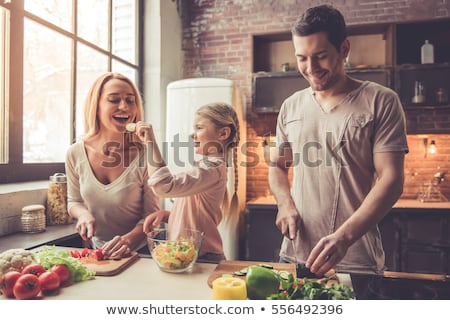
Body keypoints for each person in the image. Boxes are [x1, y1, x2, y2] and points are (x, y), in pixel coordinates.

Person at [268, 5, 409, 275]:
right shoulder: (290, 106)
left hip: (356, 259)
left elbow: (392, 179)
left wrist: (343, 238)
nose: (311, 68)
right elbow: (277, 166)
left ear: (344, 49)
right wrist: (284, 204)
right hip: (296, 254)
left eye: (320, 56)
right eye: (302, 58)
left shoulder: (380, 101)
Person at [65, 72, 161, 259]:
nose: (124, 107)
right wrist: (83, 214)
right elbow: (74, 201)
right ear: (96, 106)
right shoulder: (75, 153)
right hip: (98, 252)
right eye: (114, 100)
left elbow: (152, 216)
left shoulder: (145, 154)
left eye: (130, 100)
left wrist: (128, 240)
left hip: (141, 253)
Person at [134, 102, 240, 263]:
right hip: (192, 256)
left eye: (199, 127)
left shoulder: (212, 168)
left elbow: (163, 186)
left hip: (202, 258)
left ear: (223, 133)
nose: (193, 134)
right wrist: (168, 216)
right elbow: (197, 217)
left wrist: (150, 142)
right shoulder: (208, 168)